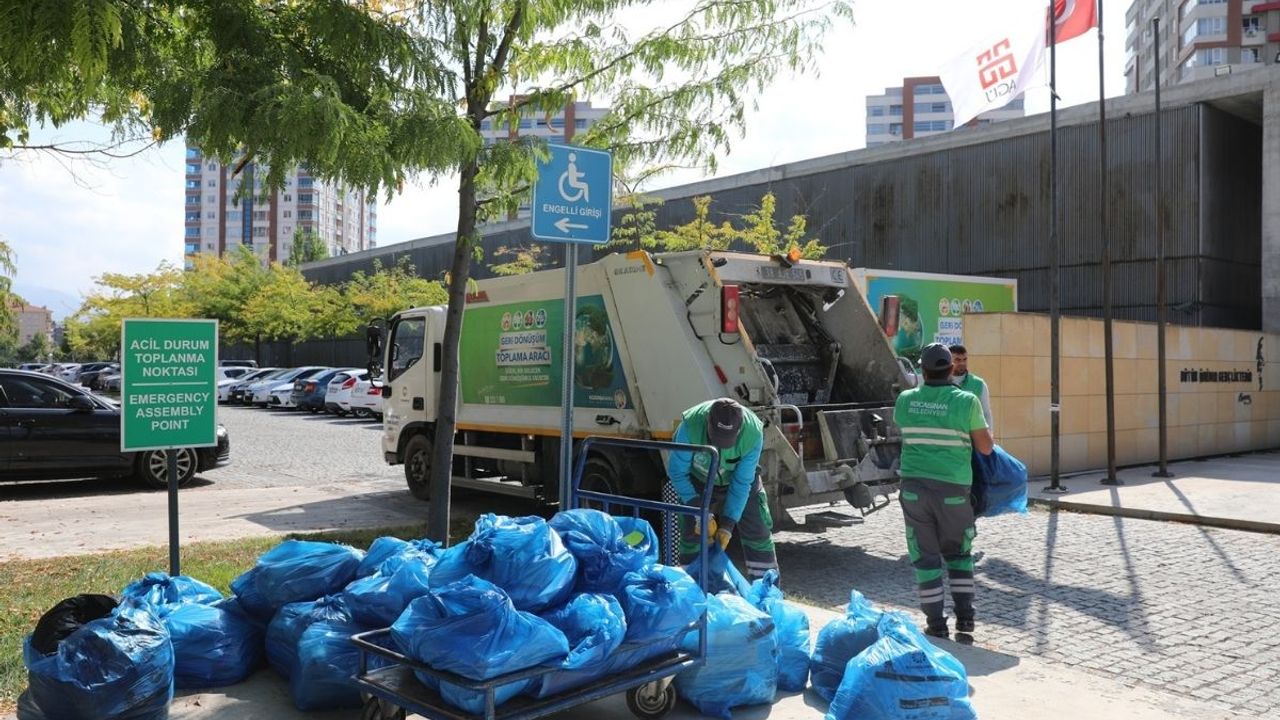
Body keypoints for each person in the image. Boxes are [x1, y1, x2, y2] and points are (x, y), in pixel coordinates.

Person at [894, 344, 994, 639]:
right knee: (959, 554)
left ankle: (936, 625)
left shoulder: (905, 400)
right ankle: (965, 620)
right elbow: (986, 448)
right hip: (953, 490)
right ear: (951, 369)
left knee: (925, 558)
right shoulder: (966, 401)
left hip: (914, 490)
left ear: (922, 372)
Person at [666, 398, 779, 580]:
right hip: (698, 481)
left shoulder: (753, 433)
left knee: (757, 531)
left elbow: (742, 483)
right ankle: (693, 593)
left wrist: (728, 524)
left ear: (739, 429)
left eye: (726, 440)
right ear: (707, 422)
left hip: (740, 481)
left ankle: (766, 594)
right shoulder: (690, 426)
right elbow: (677, 472)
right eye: (716, 437)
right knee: (692, 534)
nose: (720, 445)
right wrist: (698, 510)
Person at [949, 344, 994, 432]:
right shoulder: (942, 383)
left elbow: (986, 413)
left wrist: (990, 436)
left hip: (972, 439)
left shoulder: (979, 384)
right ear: (949, 361)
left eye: (965, 359)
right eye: (957, 360)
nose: (962, 363)